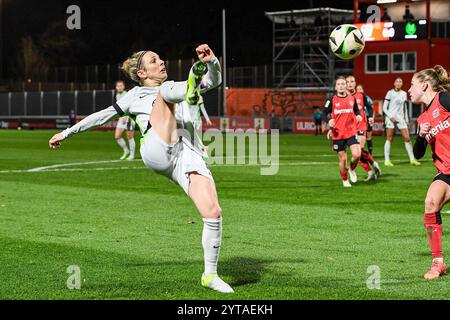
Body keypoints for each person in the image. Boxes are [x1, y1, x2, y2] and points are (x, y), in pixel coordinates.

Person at [49, 44, 234, 293]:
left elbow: (214, 80)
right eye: (154, 60)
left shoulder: (174, 87)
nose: (161, 62)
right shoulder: (135, 95)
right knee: (167, 93)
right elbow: (101, 116)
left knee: (213, 211)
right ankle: (191, 87)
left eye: (160, 58)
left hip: (187, 153)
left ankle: (210, 276)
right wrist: (67, 132)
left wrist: (211, 62)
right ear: (142, 74)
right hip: (156, 148)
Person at [412, 65, 450, 280]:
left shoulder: (444, 100)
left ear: (424, 85)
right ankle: (438, 263)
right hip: (446, 172)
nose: (409, 90)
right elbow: (418, 154)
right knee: (430, 202)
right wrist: (420, 136)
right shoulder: (423, 118)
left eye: (412, 85)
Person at [322, 76, 362, 187]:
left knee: (357, 154)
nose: (341, 86)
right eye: (338, 84)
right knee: (343, 159)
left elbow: (356, 110)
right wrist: (329, 120)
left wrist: (358, 115)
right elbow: (324, 114)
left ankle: (352, 169)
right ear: (335, 87)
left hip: (351, 131)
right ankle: (345, 180)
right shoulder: (331, 100)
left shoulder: (351, 99)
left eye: (343, 84)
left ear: (346, 86)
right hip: (338, 134)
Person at [346, 76, 381, 182]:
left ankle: (370, 165)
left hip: (361, 125)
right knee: (356, 153)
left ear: (355, 83)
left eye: (352, 81)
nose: (350, 84)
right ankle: (371, 170)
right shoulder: (344, 98)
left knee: (359, 149)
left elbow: (370, 107)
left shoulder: (361, 96)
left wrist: (370, 116)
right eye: (348, 82)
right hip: (349, 128)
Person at [383, 77, 421, 167]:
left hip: (401, 118)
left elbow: (404, 108)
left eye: (400, 81)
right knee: (389, 138)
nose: (399, 83)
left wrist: (406, 120)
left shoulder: (404, 93)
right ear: (394, 83)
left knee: (407, 138)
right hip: (390, 118)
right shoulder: (390, 93)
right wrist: (390, 116)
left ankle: (412, 159)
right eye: (397, 81)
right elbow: (384, 107)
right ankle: (387, 160)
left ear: (402, 84)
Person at [176, 94, 212, 159]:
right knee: (188, 139)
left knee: (196, 139)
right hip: (188, 121)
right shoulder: (184, 96)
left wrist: (207, 119)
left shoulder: (199, 97)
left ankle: (202, 153)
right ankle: (201, 150)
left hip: (197, 121)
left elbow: (202, 108)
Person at [114, 80, 136, 161]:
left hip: (129, 118)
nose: (119, 87)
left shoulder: (126, 94)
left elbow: (130, 106)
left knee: (130, 136)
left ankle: (132, 155)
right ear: (116, 87)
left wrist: (126, 118)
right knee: (117, 137)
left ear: (123, 86)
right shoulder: (117, 95)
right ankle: (126, 151)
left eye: (121, 85)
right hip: (121, 118)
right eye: (118, 86)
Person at [356, 84, 375, 155]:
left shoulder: (367, 98)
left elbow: (372, 109)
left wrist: (372, 118)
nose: (359, 90)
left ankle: (370, 154)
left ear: (363, 90)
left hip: (367, 118)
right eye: (358, 89)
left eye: (360, 89)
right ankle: (359, 153)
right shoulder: (354, 97)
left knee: (368, 137)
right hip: (359, 119)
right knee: (359, 137)